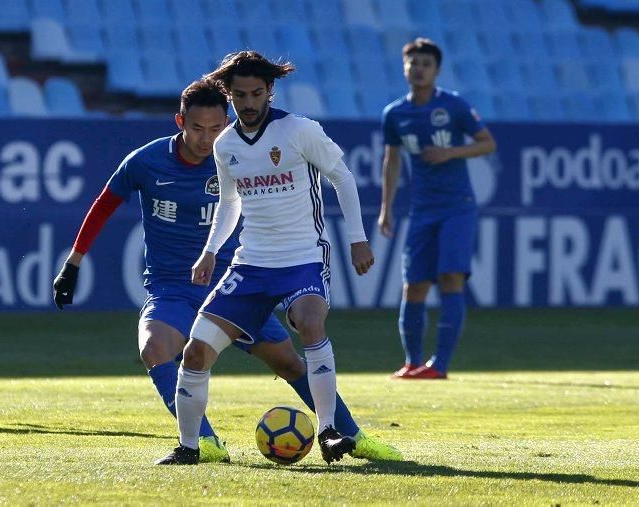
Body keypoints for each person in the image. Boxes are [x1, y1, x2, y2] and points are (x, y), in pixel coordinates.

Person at [52, 78, 401, 464]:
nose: (206, 139)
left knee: (288, 363)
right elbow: (103, 205)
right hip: (174, 290)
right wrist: (73, 263)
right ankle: (204, 443)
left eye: (215, 128)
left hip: (235, 284)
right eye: (197, 128)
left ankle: (352, 435)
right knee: (155, 348)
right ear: (179, 121)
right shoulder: (145, 162)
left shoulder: (237, 154)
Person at [155, 52, 379, 466]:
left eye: (257, 93)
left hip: (302, 257)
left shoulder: (298, 130)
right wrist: (210, 252)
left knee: (311, 324)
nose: (249, 102)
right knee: (195, 353)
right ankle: (190, 447)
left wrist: (357, 239)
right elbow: (229, 202)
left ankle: (329, 430)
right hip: (251, 264)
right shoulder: (226, 144)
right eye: (240, 95)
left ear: (270, 91)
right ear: (230, 96)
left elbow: (342, 177)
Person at [378, 38, 497, 380]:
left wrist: (451, 153)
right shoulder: (395, 114)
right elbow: (392, 161)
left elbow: (488, 143)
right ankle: (412, 362)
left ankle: (439, 365)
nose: (418, 69)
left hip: (458, 206)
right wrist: (386, 208)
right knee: (413, 284)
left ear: (437, 70)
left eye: (425, 64)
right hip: (422, 210)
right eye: (413, 63)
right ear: (404, 67)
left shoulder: (455, 106)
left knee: (450, 278)